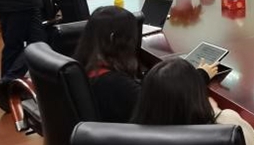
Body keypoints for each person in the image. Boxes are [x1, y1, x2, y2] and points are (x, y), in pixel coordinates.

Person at [74, 6, 219, 122]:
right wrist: (199, 77)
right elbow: (163, 106)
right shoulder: (115, 84)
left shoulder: (84, 66)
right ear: (114, 39)